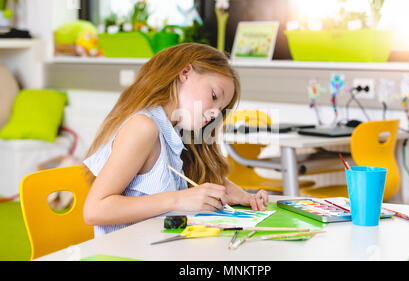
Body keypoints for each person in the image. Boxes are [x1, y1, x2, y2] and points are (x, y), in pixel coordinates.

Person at [82, 43, 269, 237]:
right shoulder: (143, 127)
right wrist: (178, 199)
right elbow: (95, 210)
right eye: (214, 96)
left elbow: (185, 180)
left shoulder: (174, 131)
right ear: (185, 73)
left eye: (221, 109)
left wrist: (236, 194)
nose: (215, 114)